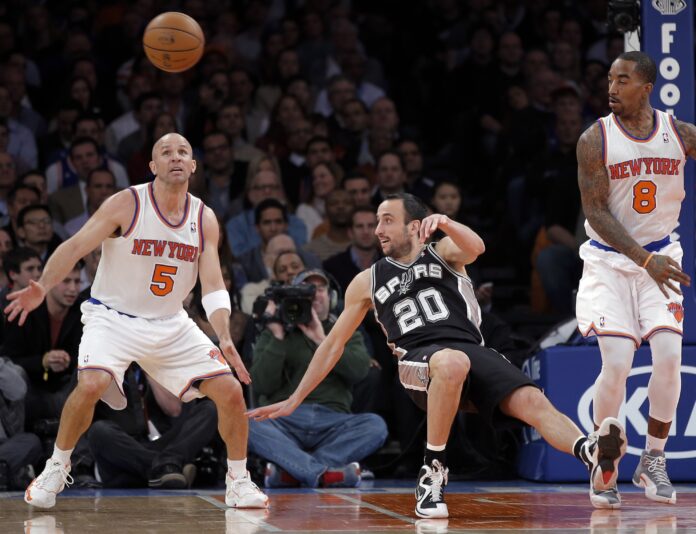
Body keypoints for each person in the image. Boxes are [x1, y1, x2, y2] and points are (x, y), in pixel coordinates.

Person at [249, 193, 627, 517]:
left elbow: (476, 247)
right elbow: (332, 345)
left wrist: (446, 222)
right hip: (419, 358)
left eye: (387, 220)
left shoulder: (443, 251)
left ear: (414, 226)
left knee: (533, 401)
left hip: (472, 349)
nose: (378, 229)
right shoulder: (366, 281)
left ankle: (591, 452)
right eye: (377, 221)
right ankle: (432, 474)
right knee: (451, 361)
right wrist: (295, 398)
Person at [6, 133, 268, 510]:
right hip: (113, 317)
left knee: (229, 390)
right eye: (166, 152)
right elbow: (76, 245)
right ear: (153, 165)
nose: (175, 157)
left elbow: (212, 283)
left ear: (193, 165)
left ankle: (239, 481)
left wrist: (224, 335)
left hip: (170, 322)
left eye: (183, 152)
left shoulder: (204, 217)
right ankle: (55, 467)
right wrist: (44, 286)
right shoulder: (127, 203)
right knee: (91, 383)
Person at [576, 51, 695, 506]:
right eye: (610, 79)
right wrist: (644, 260)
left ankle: (653, 459)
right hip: (610, 263)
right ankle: (604, 460)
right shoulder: (595, 139)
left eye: (623, 80)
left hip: (660, 257)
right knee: (619, 361)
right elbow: (596, 213)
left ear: (647, 88)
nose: (612, 88)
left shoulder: (679, 134)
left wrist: (650, 261)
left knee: (668, 355)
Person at [248, 268, 387, 488]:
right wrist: (278, 338)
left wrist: (323, 340)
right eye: (306, 289)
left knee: (375, 425)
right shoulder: (273, 332)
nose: (314, 295)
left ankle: (293, 472)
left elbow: (360, 371)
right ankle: (323, 474)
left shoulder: (344, 330)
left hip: (333, 420)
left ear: (331, 297)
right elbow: (262, 384)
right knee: (245, 422)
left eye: (319, 289)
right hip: (285, 419)